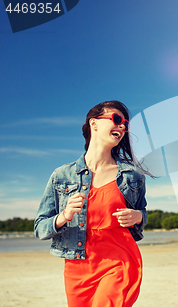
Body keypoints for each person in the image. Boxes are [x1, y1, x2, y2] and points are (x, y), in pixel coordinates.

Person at [34, 100, 150, 307]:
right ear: (94, 124)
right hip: (77, 267)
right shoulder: (61, 175)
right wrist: (64, 216)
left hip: (120, 261)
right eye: (116, 119)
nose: (122, 126)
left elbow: (142, 211)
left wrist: (139, 216)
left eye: (125, 123)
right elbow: (40, 228)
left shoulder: (132, 176)